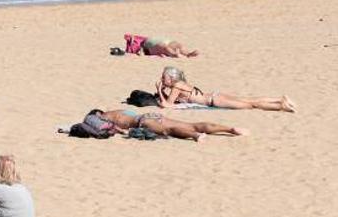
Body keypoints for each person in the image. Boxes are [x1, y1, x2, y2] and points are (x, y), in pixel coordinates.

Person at [154, 66, 296, 112]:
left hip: (214, 100)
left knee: (250, 105)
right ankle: (280, 99)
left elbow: (167, 105)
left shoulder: (176, 86)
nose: (162, 80)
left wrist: (160, 90)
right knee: (249, 100)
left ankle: (280, 106)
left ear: (171, 78)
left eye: (163, 78)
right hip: (215, 95)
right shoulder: (180, 84)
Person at [94, 109, 249, 142]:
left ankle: (195, 136)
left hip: (144, 121)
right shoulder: (119, 111)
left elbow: (115, 129)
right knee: (193, 124)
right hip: (152, 115)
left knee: (169, 131)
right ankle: (230, 129)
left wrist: (122, 130)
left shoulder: (106, 117)